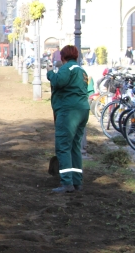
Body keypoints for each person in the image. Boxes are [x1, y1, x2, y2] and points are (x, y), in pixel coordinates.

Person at [47, 45, 90, 193]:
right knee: (74, 146)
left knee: (64, 146)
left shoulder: (67, 68)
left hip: (69, 111)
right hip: (83, 110)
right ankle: (77, 181)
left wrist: (50, 73)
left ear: (63, 57)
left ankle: (67, 183)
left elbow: (58, 81)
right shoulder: (81, 71)